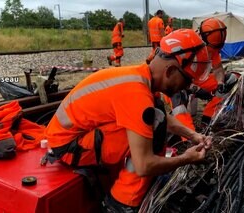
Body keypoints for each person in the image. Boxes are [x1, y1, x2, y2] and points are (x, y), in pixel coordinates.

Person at [44, 29, 212, 212]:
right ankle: (122, 202)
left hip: (71, 135)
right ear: (170, 71)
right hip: (69, 147)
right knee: (152, 128)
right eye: (187, 80)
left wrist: (193, 135)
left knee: (155, 117)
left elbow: (164, 118)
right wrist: (185, 158)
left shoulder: (141, 76)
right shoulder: (136, 95)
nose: (187, 87)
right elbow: (143, 165)